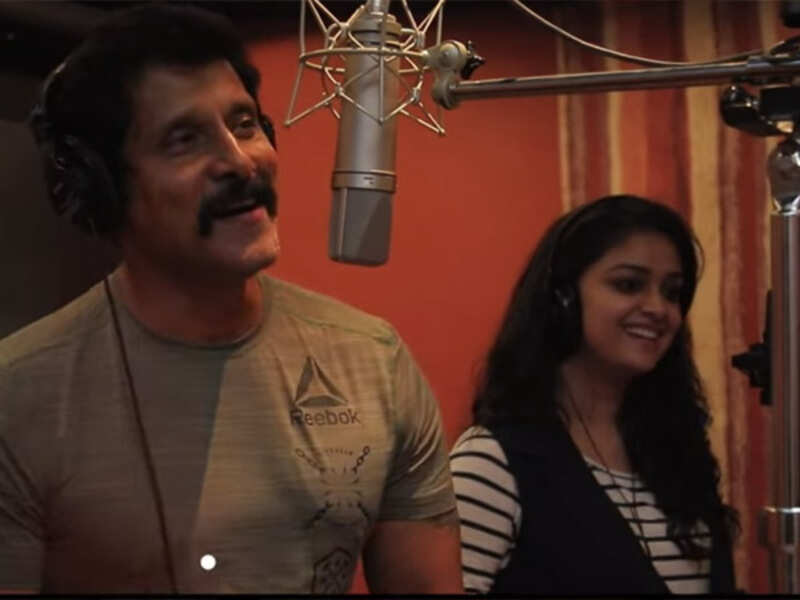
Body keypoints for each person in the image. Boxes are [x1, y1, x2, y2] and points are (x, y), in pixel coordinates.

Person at [0, 5, 460, 594]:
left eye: (244, 125)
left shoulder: (374, 362)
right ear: (104, 187)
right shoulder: (21, 398)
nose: (241, 163)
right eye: (184, 140)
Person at [449, 195, 739, 594]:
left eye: (672, 292)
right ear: (563, 299)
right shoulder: (492, 463)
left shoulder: (677, 453)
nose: (658, 308)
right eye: (628, 285)